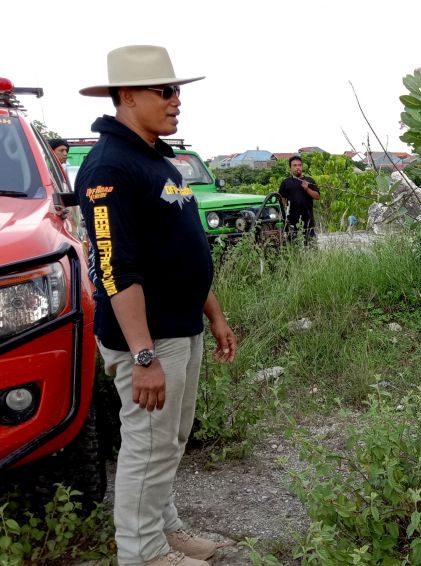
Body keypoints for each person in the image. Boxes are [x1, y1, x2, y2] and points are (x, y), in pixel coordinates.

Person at [75, 45, 236, 566]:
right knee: (147, 444)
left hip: (180, 325)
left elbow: (179, 246)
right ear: (127, 96)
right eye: (164, 91)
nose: (176, 101)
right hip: (148, 338)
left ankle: (164, 531)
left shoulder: (155, 159)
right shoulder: (109, 167)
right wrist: (142, 355)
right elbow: (116, 267)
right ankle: (141, 553)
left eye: (177, 91)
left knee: (170, 439)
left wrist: (213, 314)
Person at [278, 155, 321, 243]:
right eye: (295, 165)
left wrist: (307, 188)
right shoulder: (286, 183)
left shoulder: (309, 180)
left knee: (311, 248)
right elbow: (282, 202)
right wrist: (283, 217)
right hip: (292, 223)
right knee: (294, 248)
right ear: (290, 168)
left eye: (299, 165)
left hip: (308, 222)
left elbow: (317, 196)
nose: (298, 167)